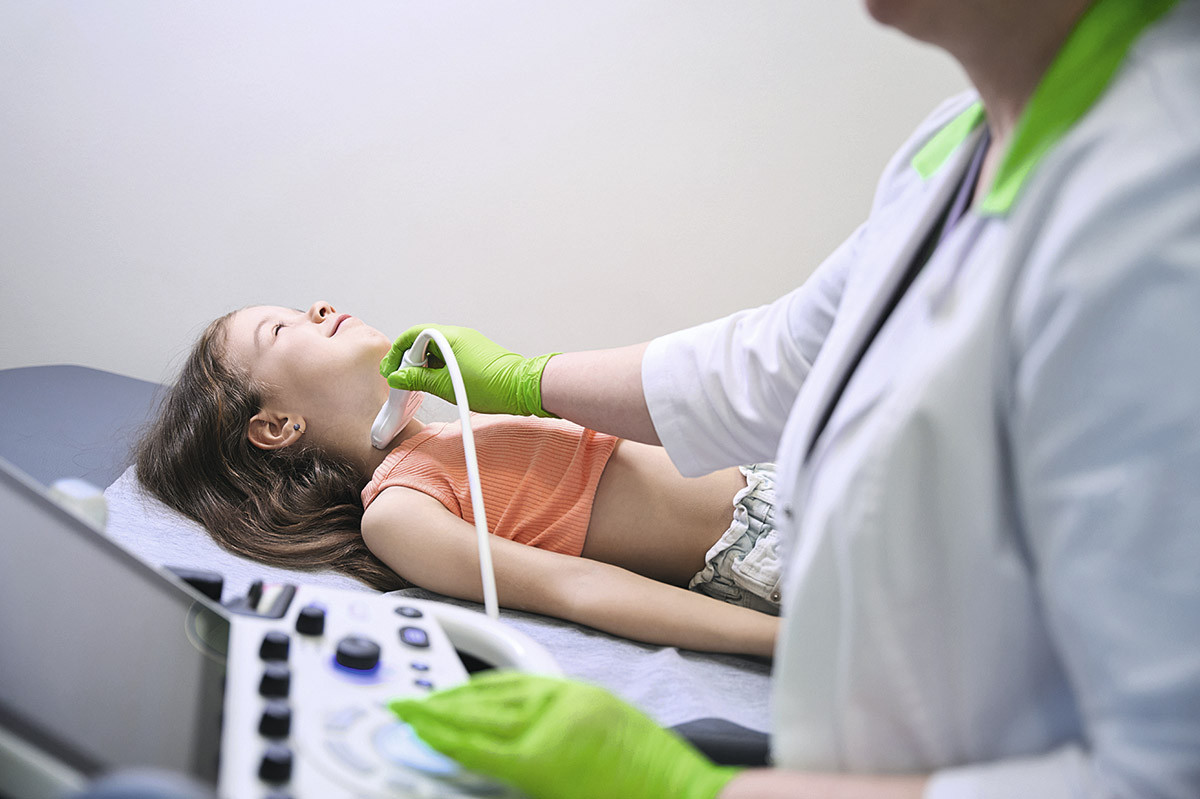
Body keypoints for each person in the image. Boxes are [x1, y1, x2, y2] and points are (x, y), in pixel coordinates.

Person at [383, 0, 1200, 796]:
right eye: (304, 325)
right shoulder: (957, 146)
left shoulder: (1159, 213)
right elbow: (780, 360)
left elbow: (1167, 770)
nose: (326, 311)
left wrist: (693, 789)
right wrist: (528, 379)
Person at [134, 302, 781, 658]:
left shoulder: (455, 432)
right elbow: (579, 589)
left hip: (782, 474)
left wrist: (525, 383)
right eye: (280, 328)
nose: (319, 307)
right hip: (773, 547)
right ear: (277, 426)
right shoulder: (398, 511)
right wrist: (785, 643)